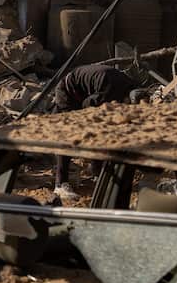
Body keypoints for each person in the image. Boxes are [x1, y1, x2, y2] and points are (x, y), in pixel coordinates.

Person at [50, 65, 143, 200]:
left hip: (88, 90)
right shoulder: (110, 92)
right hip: (69, 93)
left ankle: (97, 173)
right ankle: (60, 184)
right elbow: (86, 107)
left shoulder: (131, 86)